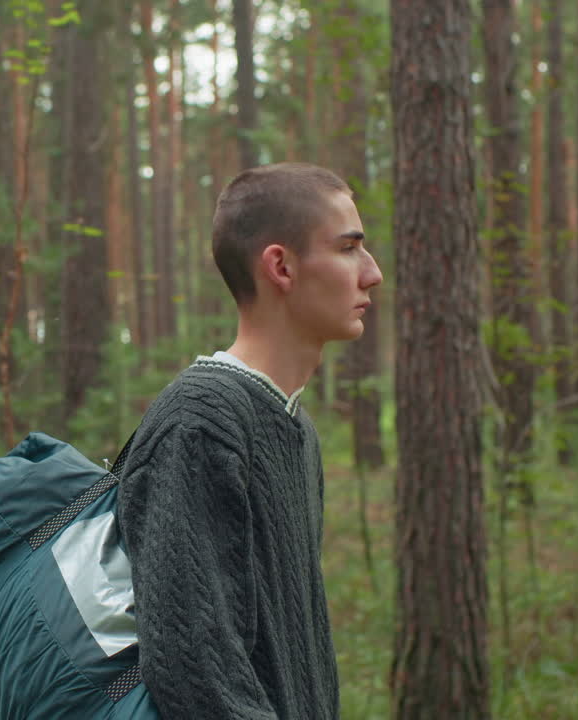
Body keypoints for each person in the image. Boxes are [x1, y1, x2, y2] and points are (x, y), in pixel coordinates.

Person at [116, 162, 382, 718]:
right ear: (281, 266)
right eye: (348, 248)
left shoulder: (292, 424)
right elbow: (195, 675)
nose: (372, 272)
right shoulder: (199, 425)